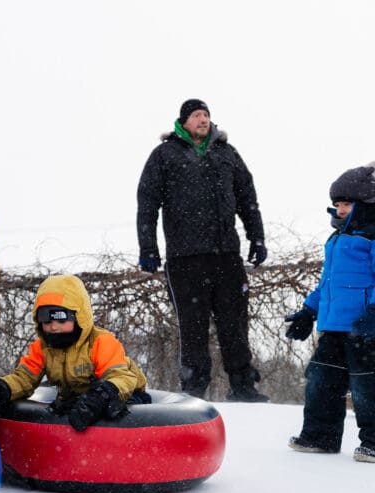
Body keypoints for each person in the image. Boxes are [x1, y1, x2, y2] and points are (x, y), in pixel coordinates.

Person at [136, 98, 269, 402]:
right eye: (196, 115)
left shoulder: (227, 153)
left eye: (206, 114)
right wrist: (148, 248)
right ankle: (194, 389)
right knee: (192, 326)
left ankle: (243, 386)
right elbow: (147, 204)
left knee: (235, 323)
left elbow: (248, 199)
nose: (203, 119)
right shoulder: (164, 155)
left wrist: (257, 238)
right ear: (183, 121)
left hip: (226, 254)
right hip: (185, 257)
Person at [0, 274, 150, 431]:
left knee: (112, 411)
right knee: (66, 410)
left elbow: (121, 377)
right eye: (46, 320)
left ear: (77, 316)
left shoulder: (100, 341)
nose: (53, 326)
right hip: (77, 398)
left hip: (123, 394)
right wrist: (0, 389)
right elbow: (24, 378)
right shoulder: (43, 347)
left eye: (60, 319)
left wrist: (102, 395)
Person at [285, 164, 375, 463]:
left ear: (366, 204)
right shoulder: (336, 239)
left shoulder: (372, 237)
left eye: (346, 204)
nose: (340, 210)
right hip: (335, 326)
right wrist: (308, 310)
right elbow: (327, 283)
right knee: (321, 380)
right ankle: (320, 436)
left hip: (365, 328)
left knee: (366, 386)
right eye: (337, 204)